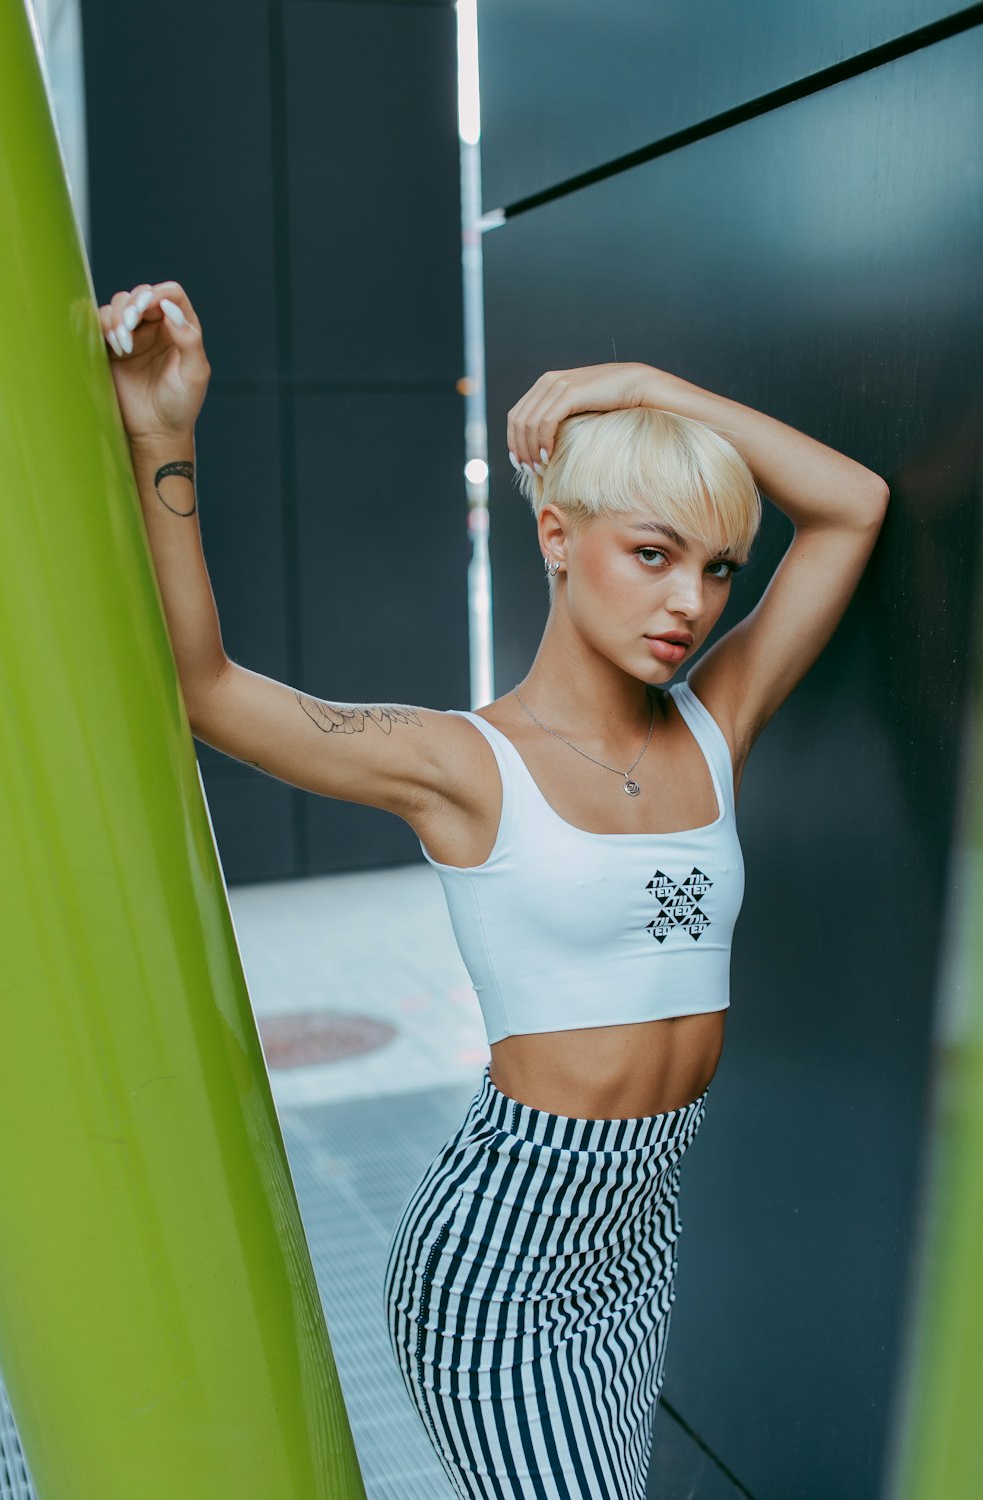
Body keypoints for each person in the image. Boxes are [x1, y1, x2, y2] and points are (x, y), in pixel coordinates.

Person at [98, 280, 890, 1499]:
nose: (690, 602)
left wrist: (644, 389)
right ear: (556, 536)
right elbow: (205, 688)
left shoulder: (712, 728)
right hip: (503, 1260)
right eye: (650, 552)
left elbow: (852, 508)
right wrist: (162, 431)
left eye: (718, 569)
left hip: (638, 1242)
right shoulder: (466, 766)